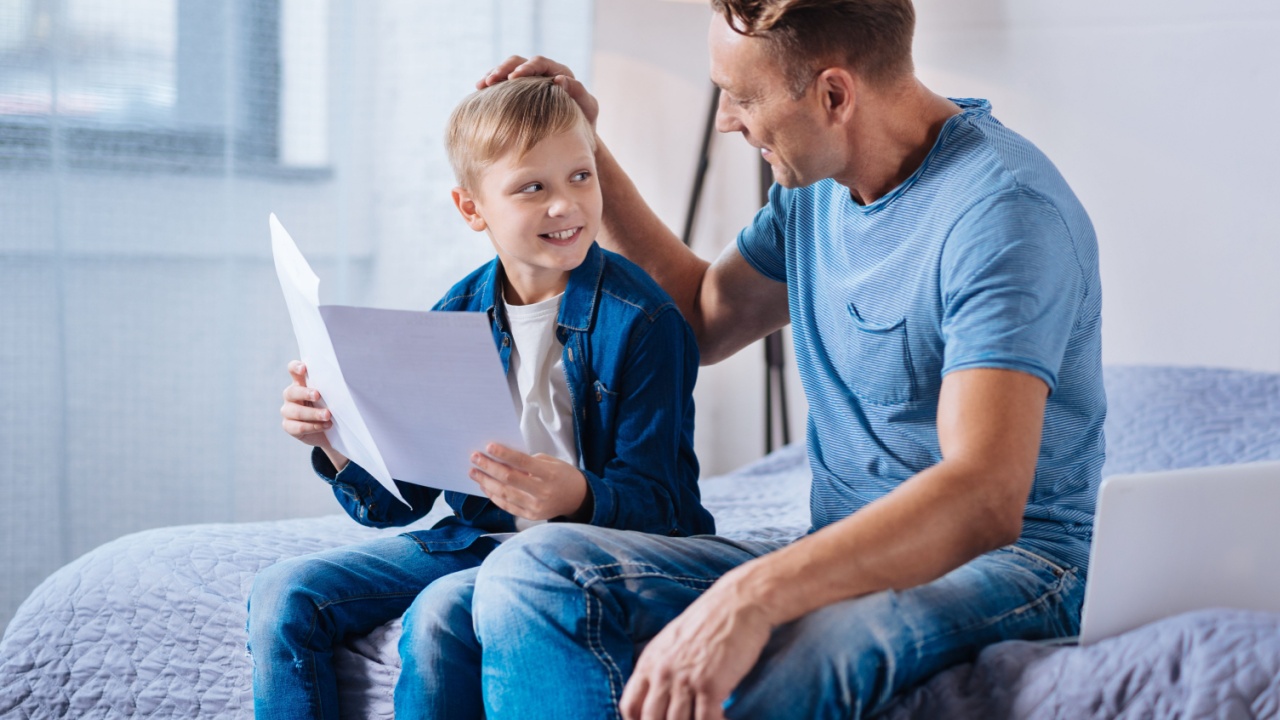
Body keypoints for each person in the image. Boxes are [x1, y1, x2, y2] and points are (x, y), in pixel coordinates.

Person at [466, 1, 1107, 718]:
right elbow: (704, 318)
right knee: (534, 572)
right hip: (837, 544)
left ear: (834, 95)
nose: (726, 122)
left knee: (822, 642)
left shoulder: (1002, 214)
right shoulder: (815, 191)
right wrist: (586, 148)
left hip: (1015, 564)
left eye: (741, 97)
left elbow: (984, 497)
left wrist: (752, 595)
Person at [247, 76, 715, 720]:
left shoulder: (644, 320)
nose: (566, 205)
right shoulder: (456, 315)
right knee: (283, 592)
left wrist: (574, 495)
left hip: (595, 548)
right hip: (479, 539)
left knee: (441, 614)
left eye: (581, 176)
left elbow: (664, 507)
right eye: (533, 187)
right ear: (472, 209)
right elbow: (399, 503)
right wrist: (335, 444)